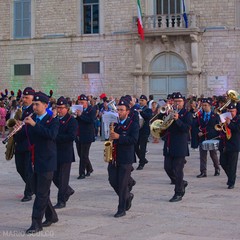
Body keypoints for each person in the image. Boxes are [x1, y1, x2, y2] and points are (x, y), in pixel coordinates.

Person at [15, 91, 59, 234]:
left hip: (47, 161)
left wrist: (34, 125)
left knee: (41, 193)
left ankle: (36, 223)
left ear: (45, 105)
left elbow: (51, 135)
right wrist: (16, 130)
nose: (34, 107)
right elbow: (23, 136)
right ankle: (52, 215)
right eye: (33, 104)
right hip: (33, 159)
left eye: (37, 104)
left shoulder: (53, 120)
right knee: (37, 190)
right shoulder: (31, 118)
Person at [108, 99, 139, 217]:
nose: (119, 112)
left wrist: (119, 137)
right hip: (114, 157)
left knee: (122, 184)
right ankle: (127, 196)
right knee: (112, 180)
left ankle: (121, 209)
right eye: (118, 110)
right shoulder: (114, 124)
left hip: (126, 158)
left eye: (122, 110)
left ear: (127, 112)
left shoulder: (133, 124)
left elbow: (133, 140)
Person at [162, 92, 192, 202]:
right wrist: (164, 114)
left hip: (180, 145)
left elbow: (186, 128)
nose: (177, 103)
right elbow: (162, 125)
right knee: (167, 167)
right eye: (175, 101)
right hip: (169, 144)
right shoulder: (168, 112)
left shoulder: (187, 114)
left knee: (178, 169)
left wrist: (177, 119)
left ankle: (178, 192)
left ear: (183, 102)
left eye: (179, 101)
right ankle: (181, 182)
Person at [53, 96, 78, 209]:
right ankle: (67, 190)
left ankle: (61, 200)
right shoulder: (55, 119)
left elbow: (71, 136)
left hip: (65, 153)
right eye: (58, 107)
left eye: (62, 108)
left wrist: (56, 137)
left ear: (67, 108)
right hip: (55, 152)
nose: (59, 110)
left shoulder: (71, 120)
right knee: (54, 177)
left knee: (63, 178)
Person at [14, 87, 35, 202]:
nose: (24, 99)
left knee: (28, 170)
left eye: (27, 97)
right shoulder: (21, 110)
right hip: (20, 142)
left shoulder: (34, 110)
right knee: (19, 168)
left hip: (28, 144)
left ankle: (28, 192)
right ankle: (32, 186)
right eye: (23, 97)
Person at [196, 98, 221, 178]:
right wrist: (198, 132)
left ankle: (217, 168)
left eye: (206, 105)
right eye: (203, 105)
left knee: (213, 154)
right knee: (202, 156)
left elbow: (219, 127)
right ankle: (203, 171)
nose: (204, 107)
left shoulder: (215, 116)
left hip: (212, 138)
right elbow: (196, 126)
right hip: (203, 138)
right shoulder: (200, 116)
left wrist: (217, 136)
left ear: (210, 106)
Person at [219, 103, 240, 189]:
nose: (231, 113)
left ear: (236, 111)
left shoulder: (238, 119)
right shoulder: (223, 118)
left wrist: (230, 123)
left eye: (232, 111)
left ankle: (231, 182)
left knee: (232, 165)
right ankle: (231, 177)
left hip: (234, 145)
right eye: (229, 111)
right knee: (222, 162)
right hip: (224, 144)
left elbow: (237, 129)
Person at [75, 94, 96, 179]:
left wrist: (81, 115)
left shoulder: (91, 110)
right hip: (78, 134)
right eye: (79, 102)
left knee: (84, 154)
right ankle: (89, 168)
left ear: (86, 102)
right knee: (80, 154)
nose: (81, 104)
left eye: (82, 102)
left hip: (87, 135)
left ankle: (82, 173)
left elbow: (90, 120)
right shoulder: (78, 110)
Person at [135, 95, 152, 170]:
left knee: (142, 147)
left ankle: (141, 163)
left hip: (144, 131)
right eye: (140, 100)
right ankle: (143, 159)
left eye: (142, 100)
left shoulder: (148, 109)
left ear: (146, 101)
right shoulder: (137, 108)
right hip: (137, 130)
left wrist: (141, 112)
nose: (141, 102)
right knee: (135, 146)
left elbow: (147, 117)